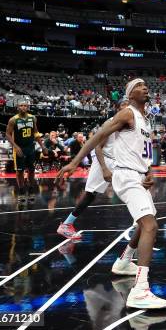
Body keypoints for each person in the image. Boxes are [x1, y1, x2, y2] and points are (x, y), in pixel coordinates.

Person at [57, 80, 166, 309]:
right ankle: (140, 290)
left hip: (137, 175)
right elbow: (98, 138)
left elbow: (140, 152)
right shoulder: (127, 113)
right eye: (139, 86)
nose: (145, 87)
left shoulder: (144, 120)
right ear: (129, 95)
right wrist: (75, 162)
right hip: (126, 176)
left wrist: (148, 172)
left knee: (147, 221)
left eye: (146, 85)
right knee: (150, 226)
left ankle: (124, 261)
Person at [58, 99, 130, 240]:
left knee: (134, 188)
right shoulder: (110, 123)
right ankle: (66, 224)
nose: (127, 107)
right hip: (104, 158)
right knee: (90, 194)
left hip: (119, 161)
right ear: (117, 108)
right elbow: (97, 147)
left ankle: (141, 222)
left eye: (129, 105)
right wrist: (104, 169)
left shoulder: (129, 123)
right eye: (123, 105)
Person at [5, 100, 47, 202]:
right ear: (17, 107)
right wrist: (15, 146)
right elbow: (7, 134)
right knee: (20, 171)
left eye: (25, 106)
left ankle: (31, 190)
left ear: (28, 107)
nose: (23, 107)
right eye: (21, 105)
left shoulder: (33, 118)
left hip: (30, 148)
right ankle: (21, 191)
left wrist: (42, 146)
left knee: (31, 170)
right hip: (19, 149)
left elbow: (36, 132)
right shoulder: (13, 120)